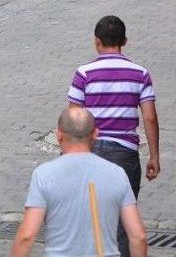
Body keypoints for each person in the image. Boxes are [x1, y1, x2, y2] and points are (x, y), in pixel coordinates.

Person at [67, 15, 159, 256]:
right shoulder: (140, 74)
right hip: (125, 156)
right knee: (122, 223)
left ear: (96, 42)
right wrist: (154, 156)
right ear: (125, 41)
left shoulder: (83, 74)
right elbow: (150, 118)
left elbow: (74, 120)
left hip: (90, 155)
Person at [12, 108, 147, 257]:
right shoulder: (117, 174)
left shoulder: (44, 175)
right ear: (95, 134)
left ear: (59, 135)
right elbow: (138, 236)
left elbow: (27, 236)